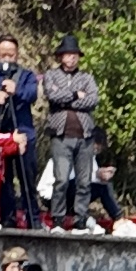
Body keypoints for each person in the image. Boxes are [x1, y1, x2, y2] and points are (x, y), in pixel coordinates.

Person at [0, 37, 40, 229]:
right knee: (4, 180)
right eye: (3, 54)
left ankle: (33, 219)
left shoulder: (26, 75)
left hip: (23, 132)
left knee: (27, 178)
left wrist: (16, 90)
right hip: (1, 133)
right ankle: (7, 218)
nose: (7, 57)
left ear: (17, 54)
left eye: (11, 54)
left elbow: (32, 94)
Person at [37, 39, 101, 228]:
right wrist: (75, 95)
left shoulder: (87, 78)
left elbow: (92, 100)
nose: (72, 58)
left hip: (85, 135)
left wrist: (66, 100)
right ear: (61, 56)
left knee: (84, 180)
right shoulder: (51, 75)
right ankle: (58, 217)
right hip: (61, 134)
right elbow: (52, 96)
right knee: (61, 178)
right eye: (68, 54)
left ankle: (80, 218)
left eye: (75, 55)